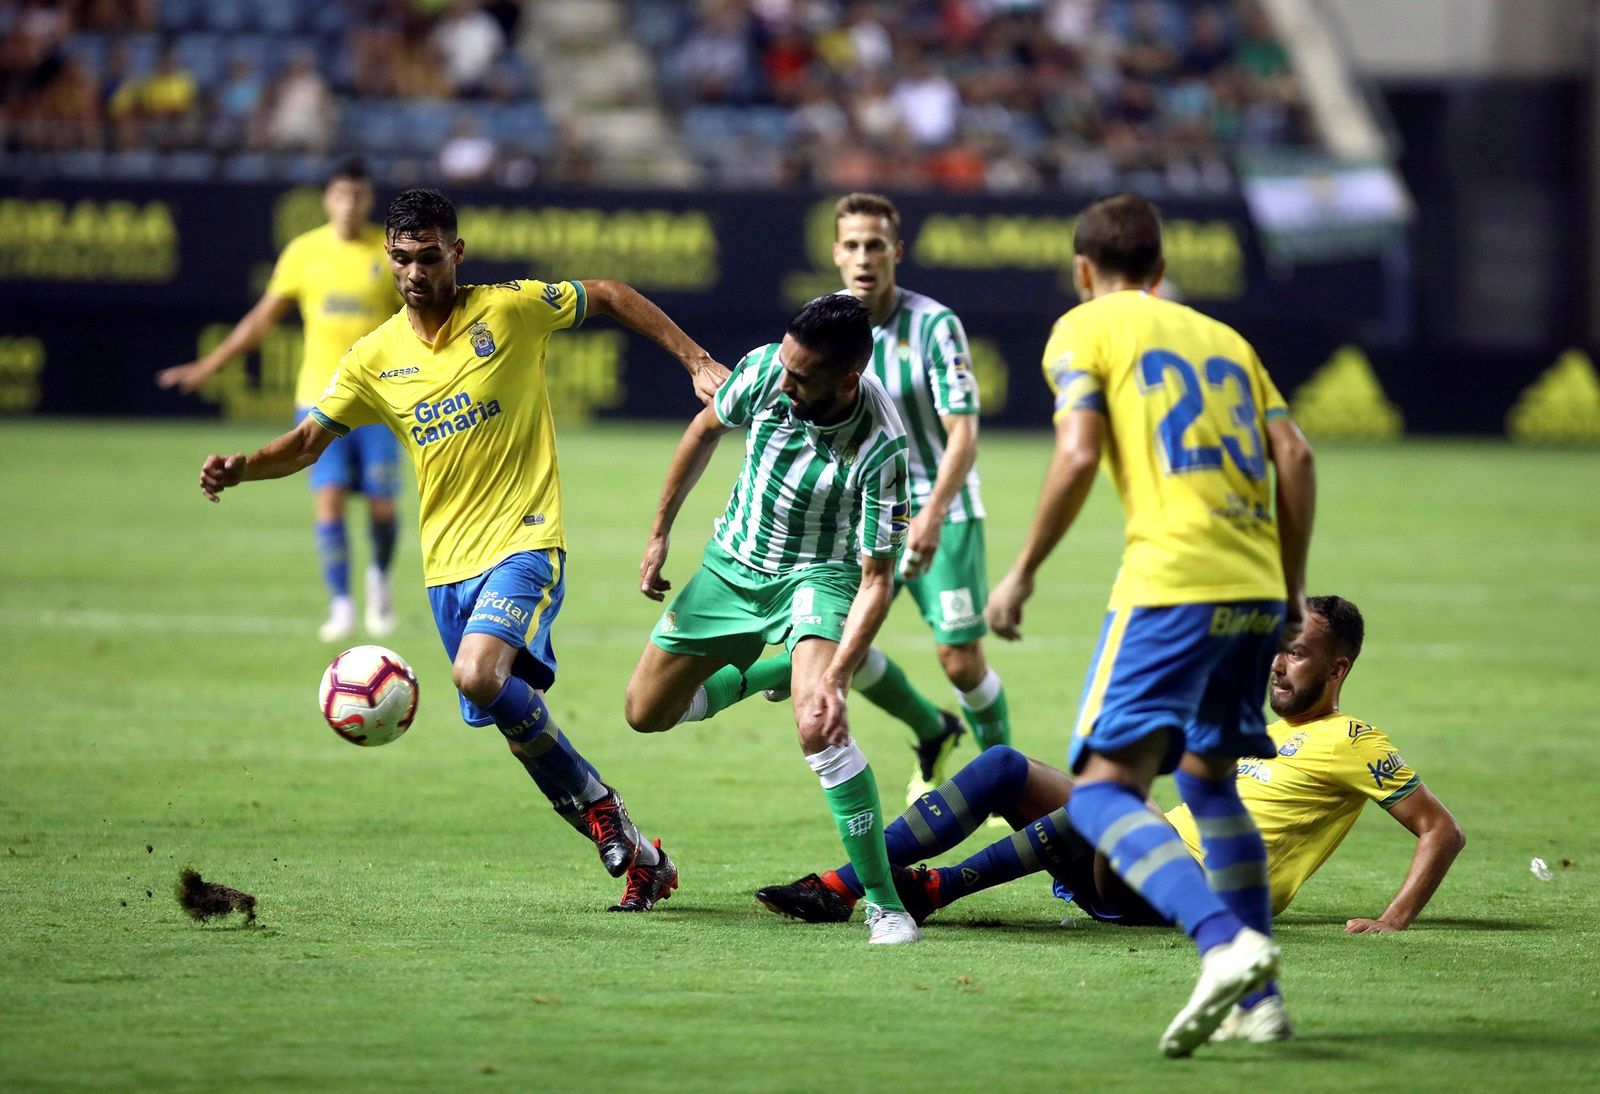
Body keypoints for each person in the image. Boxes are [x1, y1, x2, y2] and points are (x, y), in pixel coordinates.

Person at [195, 187, 730, 912]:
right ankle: (639, 853)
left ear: (457, 252)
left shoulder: (509, 310)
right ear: (388, 258)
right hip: (447, 567)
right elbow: (306, 442)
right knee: (518, 727)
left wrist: (694, 358)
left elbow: (606, 293)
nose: (414, 272)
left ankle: (605, 811)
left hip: (525, 540)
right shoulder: (373, 358)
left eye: (428, 256)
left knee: (477, 676)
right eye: (402, 259)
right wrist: (244, 467)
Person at [757, 595, 1466, 1042]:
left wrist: (1394, 919)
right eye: (1278, 647)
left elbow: (1441, 829)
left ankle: (936, 888)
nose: (1279, 664)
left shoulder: (1354, 741)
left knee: (1110, 803)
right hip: (1139, 856)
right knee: (1005, 764)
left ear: (1337, 671)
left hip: (1188, 891)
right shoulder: (1250, 720)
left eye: (1299, 653)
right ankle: (847, 886)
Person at [984, 192, 1318, 1056]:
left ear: (1083, 270)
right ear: (1163, 271)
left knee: (1100, 796)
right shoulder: (1228, 341)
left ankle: (1223, 943)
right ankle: (1262, 1001)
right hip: (1252, 587)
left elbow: (1078, 452)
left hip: (1172, 584)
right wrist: (1291, 588)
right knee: (1208, 783)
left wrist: (1021, 571)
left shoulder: (1084, 327)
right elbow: (1296, 455)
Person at [674, 193, 1013, 809]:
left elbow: (963, 430)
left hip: (939, 510)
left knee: (960, 660)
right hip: (846, 516)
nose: (863, 257)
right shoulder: (818, 333)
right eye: (852, 245)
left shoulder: (933, 326)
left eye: (875, 244)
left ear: (895, 252)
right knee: (842, 639)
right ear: (835, 252)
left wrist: (933, 510)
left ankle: (1001, 781)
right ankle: (933, 730)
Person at [621, 294, 921, 944]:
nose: (780, 384)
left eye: (799, 376)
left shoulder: (883, 446)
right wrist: (658, 533)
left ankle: (885, 905)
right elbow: (705, 429)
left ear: (845, 381)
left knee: (818, 722)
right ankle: (773, 669)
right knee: (645, 713)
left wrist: (838, 677)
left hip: (818, 577)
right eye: (781, 367)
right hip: (733, 562)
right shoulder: (766, 371)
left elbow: (877, 578)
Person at [158, 160, 403, 643]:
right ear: (328, 199)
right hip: (320, 396)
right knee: (329, 503)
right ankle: (341, 604)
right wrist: (210, 365)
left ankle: (378, 579)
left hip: (380, 400)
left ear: (368, 200)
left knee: (382, 507)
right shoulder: (305, 252)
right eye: (341, 194)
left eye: (358, 195)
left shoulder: (389, 250)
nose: (350, 203)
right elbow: (261, 319)